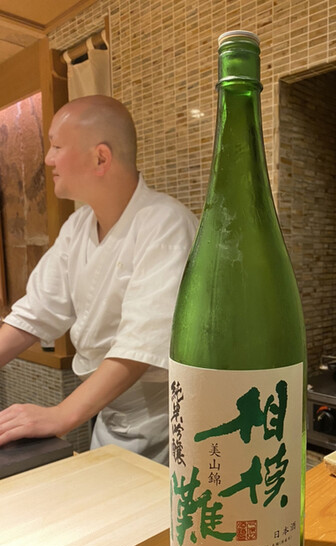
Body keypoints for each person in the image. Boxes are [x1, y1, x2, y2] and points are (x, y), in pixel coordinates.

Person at [0, 95, 198, 465]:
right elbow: (35, 313)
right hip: (108, 411)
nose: (48, 159)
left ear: (100, 158)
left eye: (57, 146)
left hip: (167, 422)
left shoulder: (166, 224)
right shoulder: (77, 227)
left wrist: (62, 415)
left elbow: (140, 346)